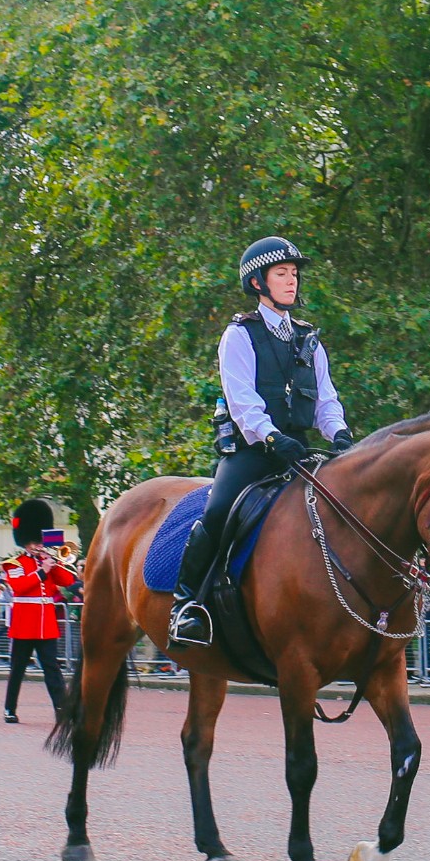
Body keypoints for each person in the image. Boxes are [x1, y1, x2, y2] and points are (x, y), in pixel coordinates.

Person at [170, 236, 351, 646]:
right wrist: (271, 437)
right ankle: (186, 605)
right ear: (258, 283)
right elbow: (243, 402)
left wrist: (338, 432)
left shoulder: (309, 338)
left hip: (301, 451)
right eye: (282, 274)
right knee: (217, 512)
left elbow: (325, 397)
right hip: (253, 452)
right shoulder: (239, 335)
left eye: (294, 274)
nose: (292, 281)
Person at [1, 499, 78, 723]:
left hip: (46, 624)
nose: (36, 545)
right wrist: (42, 571)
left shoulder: (48, 560)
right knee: (17, 669)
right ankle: (9, 708)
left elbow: (67, 580)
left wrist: (55, 563)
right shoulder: (13, 564)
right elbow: (19, 587)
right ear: (25, 542)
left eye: (38, 541)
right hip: (24, 624)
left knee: (52, 669)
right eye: (33, 542)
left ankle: (62, 710)